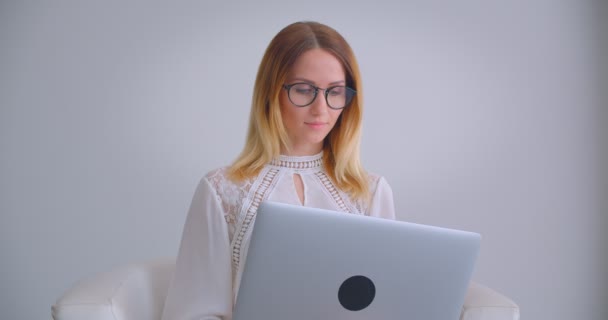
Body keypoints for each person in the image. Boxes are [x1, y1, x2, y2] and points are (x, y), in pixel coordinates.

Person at [161, 21, 396, 320]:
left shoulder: (371, 192)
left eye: (335, 92)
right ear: (271, 92)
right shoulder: (222, 191)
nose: (321, 109)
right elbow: (194, 312)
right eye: (303, 90)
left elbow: (385, 306)